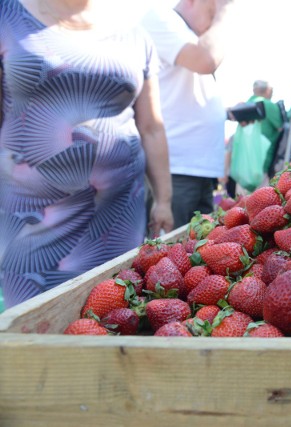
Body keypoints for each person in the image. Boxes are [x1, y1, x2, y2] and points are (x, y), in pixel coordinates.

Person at [0, 0, 173, 308]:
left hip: (118, 218)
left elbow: (151, 127)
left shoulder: (135, 35)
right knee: (28, 327)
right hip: (29, 220)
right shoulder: (7, 15)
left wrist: (164, 200)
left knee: (113, 319)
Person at [142, 0, 232, 228]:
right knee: (173, 257)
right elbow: (206, 59)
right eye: (212, 12)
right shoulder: (161, 18)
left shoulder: (188, 35)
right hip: (176, 171)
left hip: (198, 170)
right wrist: (225, 11)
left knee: (197, 252)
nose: (214, 23)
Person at [249, 80, 284, 176]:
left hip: (243, 162)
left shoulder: (246, 104)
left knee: (241, 191)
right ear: (268, 90)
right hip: (262, 160)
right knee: (261, 190)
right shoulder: (269, 105)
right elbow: (281, 129)